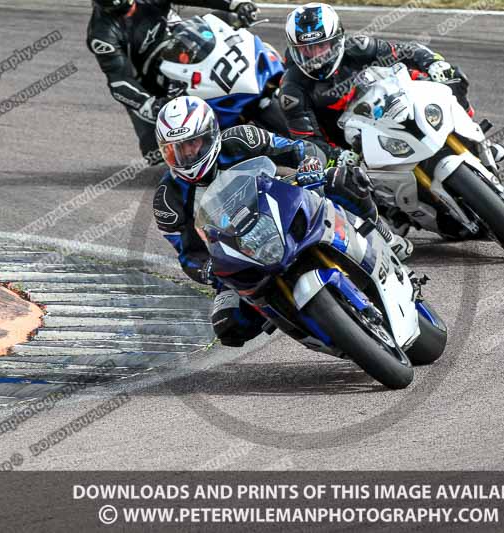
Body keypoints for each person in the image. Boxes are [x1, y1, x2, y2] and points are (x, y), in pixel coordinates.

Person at [152, 96, 412, 346]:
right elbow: (187, 254)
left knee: (344, 180)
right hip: (238, 251)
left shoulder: (241, 139)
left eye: (192, 143)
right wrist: (206, 269)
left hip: (284, 204)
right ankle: (305, 322)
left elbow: (299, 149)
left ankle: (386, 238)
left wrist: (310, 164)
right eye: (175, 150)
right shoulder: (167, 200)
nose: (186, 154)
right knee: (228, 325)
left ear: (210, 134)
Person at [279, 2, 504, 166]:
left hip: (385, 107)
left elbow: (406, 52)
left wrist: (434, 64)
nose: (316, 56)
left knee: (453, 77)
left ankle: (476, 138)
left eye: (322, 46)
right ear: (294, 49)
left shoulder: (358, 47)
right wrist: (335, 157)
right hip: (353, 149)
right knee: (346, 191)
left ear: (337, 40)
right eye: (306, 49)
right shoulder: (291, 90)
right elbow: (308, 143)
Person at [86, 0, 260, 162]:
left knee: (229, 22)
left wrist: (234, 4)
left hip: (188, 46)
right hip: (153, 83)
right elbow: (120, 81)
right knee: (160, 153)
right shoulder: (101, 34)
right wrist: (149, 105)